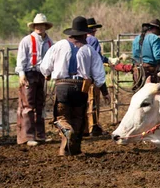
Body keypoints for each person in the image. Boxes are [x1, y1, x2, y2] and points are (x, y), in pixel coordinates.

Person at [40, 16, 110, 156]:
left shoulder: (58, 46)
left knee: (61, 116)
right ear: (84, 34)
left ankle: (66, 131)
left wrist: (47, 74)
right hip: (81, 87)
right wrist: (104, 90)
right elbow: (99, 75)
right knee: (78, 118)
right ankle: (73, 150)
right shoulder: (89, 50)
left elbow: (45, 67)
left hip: (62, 86)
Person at [15, 13, 54, 147]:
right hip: (29, 74)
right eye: (37, 25)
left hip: (42, 75)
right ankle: (28, 136)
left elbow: (51, 59)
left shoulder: (50, 42)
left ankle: (40, 134)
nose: (39, 27)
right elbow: (21, 59)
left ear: (45, 26)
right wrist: (21, 74)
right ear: (34, 26)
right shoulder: (26, 41)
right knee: (28, 106)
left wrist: (49, 72)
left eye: (41, 25)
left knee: (40, 105)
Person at [85, 17, 109, 137]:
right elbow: (96, 57)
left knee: (83, 103)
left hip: (82, 76)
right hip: (92, 77)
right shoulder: (93, 40)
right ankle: (93, 127)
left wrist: (107, 59)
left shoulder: (80, 40)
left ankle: (84, 128)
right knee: (93, 101)